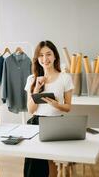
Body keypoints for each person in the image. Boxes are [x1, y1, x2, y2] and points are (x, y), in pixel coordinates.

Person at [24, 40, 74, 177]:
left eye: (48, 54)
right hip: (36, 123)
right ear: (37, 58)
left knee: (50, 159)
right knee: (35, 159)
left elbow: (68, 107)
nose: (45, 59)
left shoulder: (65, 78)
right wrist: (36, 89)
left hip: (56, 124)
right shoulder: (31, 79)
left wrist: (56, 105)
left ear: (55, 56)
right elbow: (30, 110)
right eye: (41, 55)